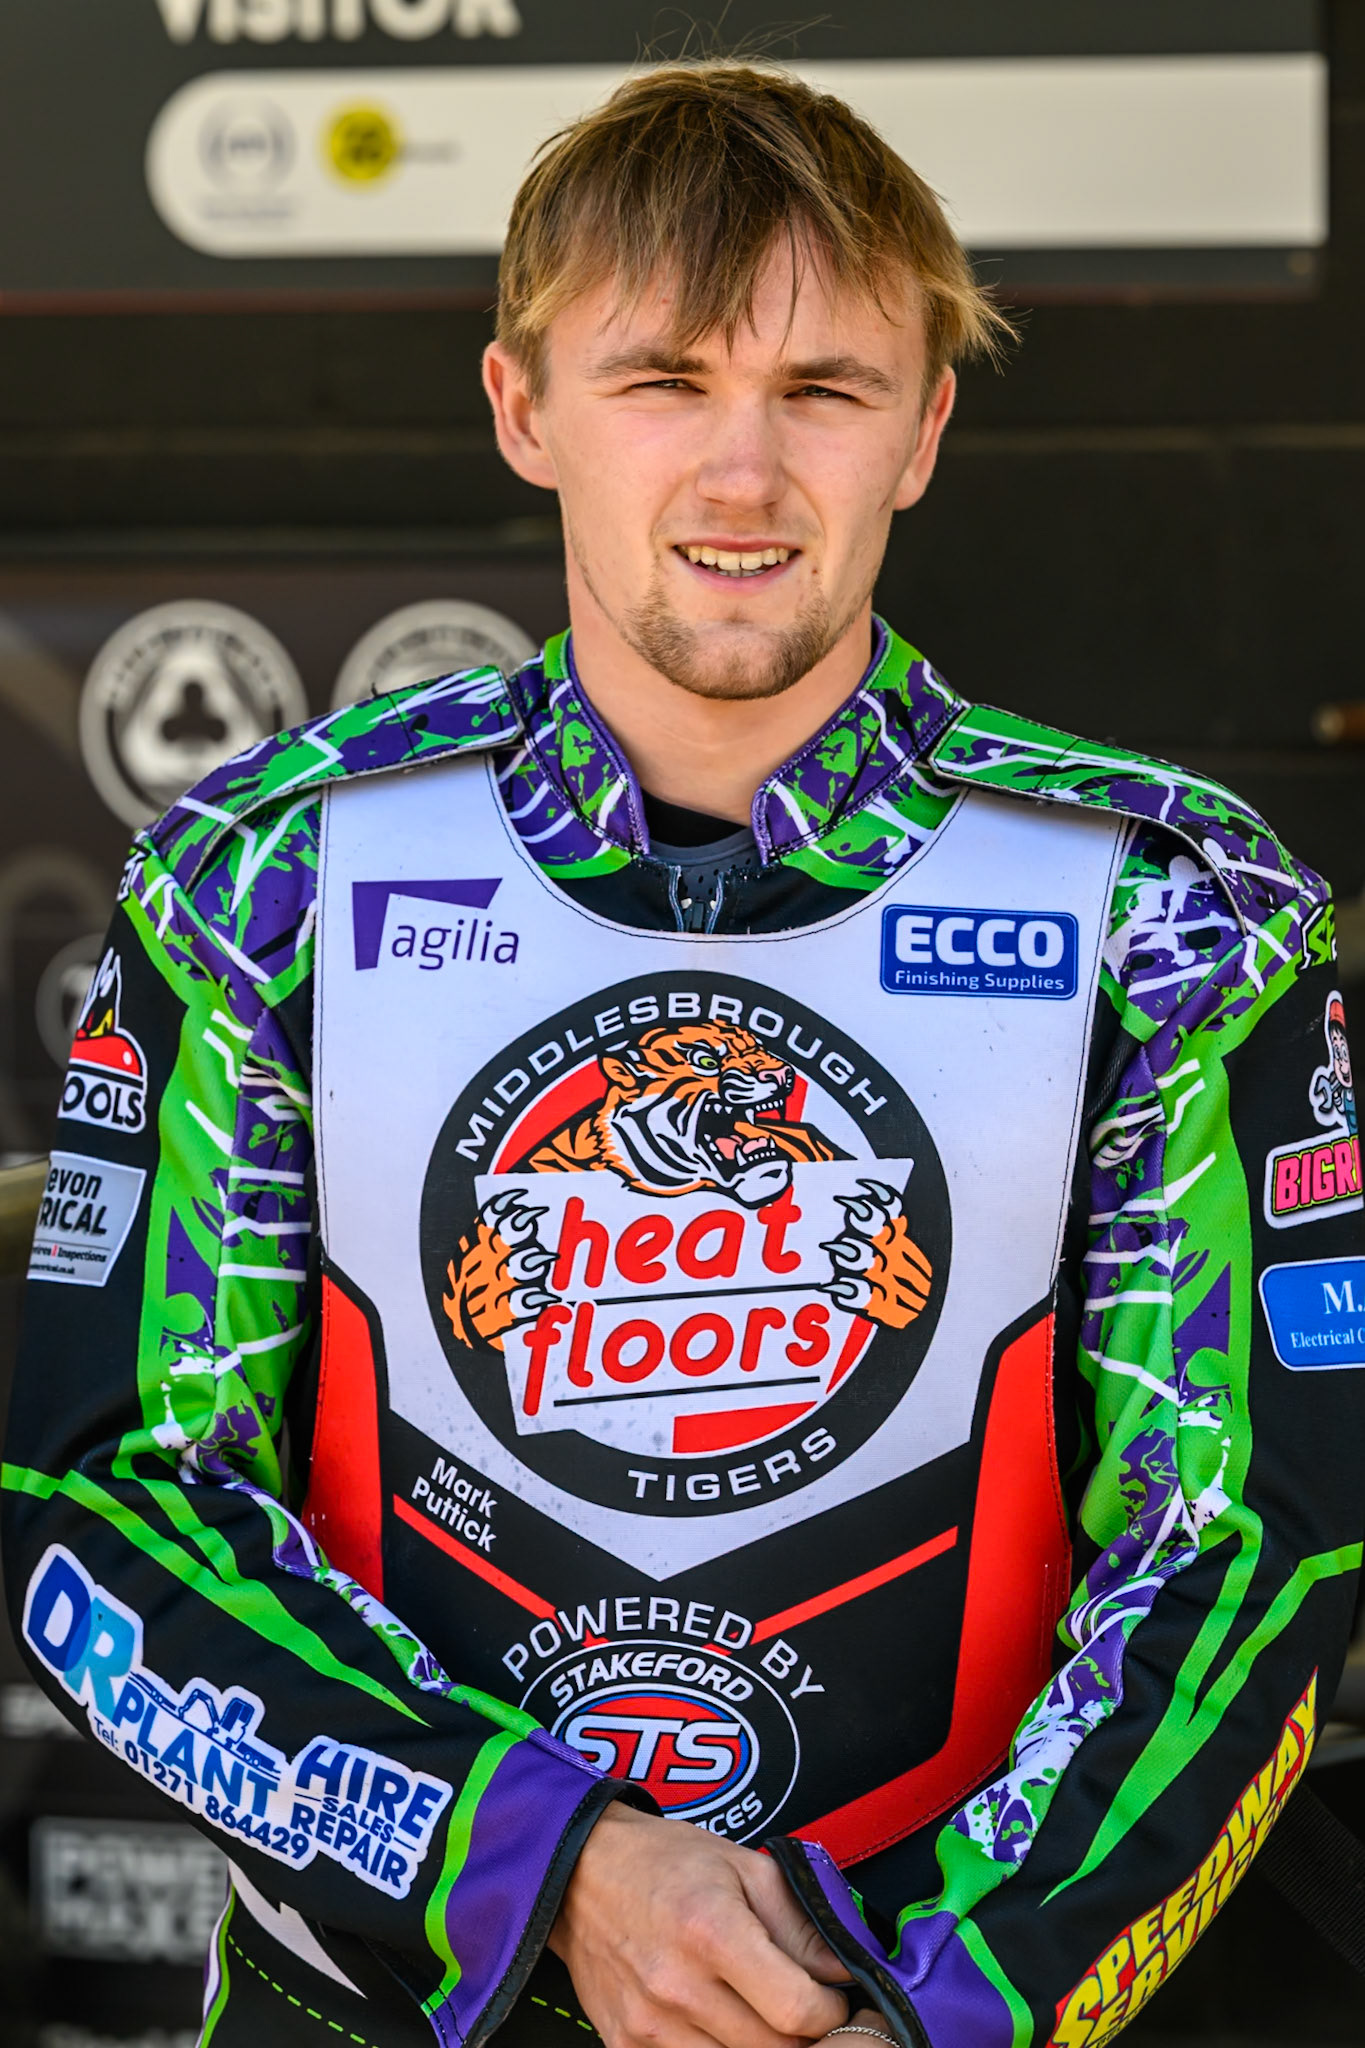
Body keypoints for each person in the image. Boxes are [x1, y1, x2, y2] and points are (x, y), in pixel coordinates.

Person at [5, 61, 1363, 2048]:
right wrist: (544, 1866)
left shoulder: (1167, 909)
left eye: (820, 389)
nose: (741, 474)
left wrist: (930, 1993)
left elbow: (1251, 1545)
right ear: (523, 406)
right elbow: (101, 1497)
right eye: (663, 380)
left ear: (921, 431)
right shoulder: (267, 881)